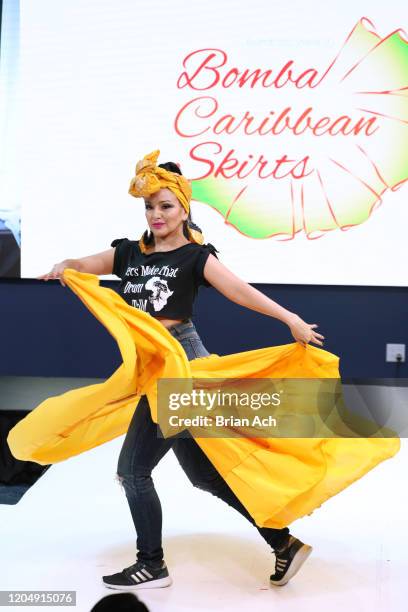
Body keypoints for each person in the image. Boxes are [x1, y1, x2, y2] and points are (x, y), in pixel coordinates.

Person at [38, 150, 324, 590]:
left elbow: (239, 291)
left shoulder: (195, 257)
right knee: (204, 474)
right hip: (155, 368)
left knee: (133, 471)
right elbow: (85, 265)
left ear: (184, 208)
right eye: (149, 206)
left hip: (181, 369)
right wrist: (66, 265)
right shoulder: (129, 253)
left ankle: (151, 564)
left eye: (165, 205)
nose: (156, 214)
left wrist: (289, 319)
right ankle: (282, 543)